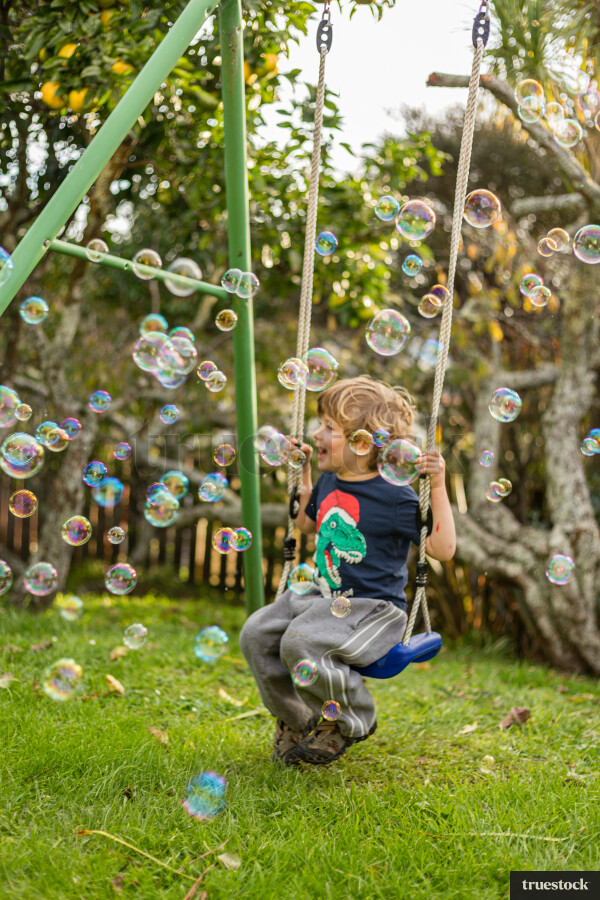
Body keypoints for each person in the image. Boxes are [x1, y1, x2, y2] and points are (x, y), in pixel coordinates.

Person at [239, 375, 456, 767]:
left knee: (299, 644)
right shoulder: (327, 480)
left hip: (372, 610)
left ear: (363, 441)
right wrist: (303, 475)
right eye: (320, 423)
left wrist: (437, 485)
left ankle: (349, 720)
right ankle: (296, 720)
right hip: (320, 597)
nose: (316, 433)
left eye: (329, 428)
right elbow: (306, 524)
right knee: (256, 633)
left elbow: (442, 548)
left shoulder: (396, 495)